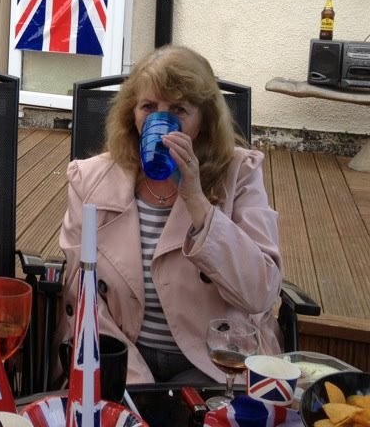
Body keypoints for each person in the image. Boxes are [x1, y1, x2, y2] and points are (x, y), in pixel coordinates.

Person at [55, 44, 282, 384]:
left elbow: (260, 292)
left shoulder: (239, 174)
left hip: (215, 362)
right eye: (148, 107)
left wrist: (197, 201)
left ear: (203, 121)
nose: (160, 120)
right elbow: (82, 296)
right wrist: (135, 384)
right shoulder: (90, 179)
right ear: (132, 114)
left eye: (179, 109)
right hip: (120, 356)